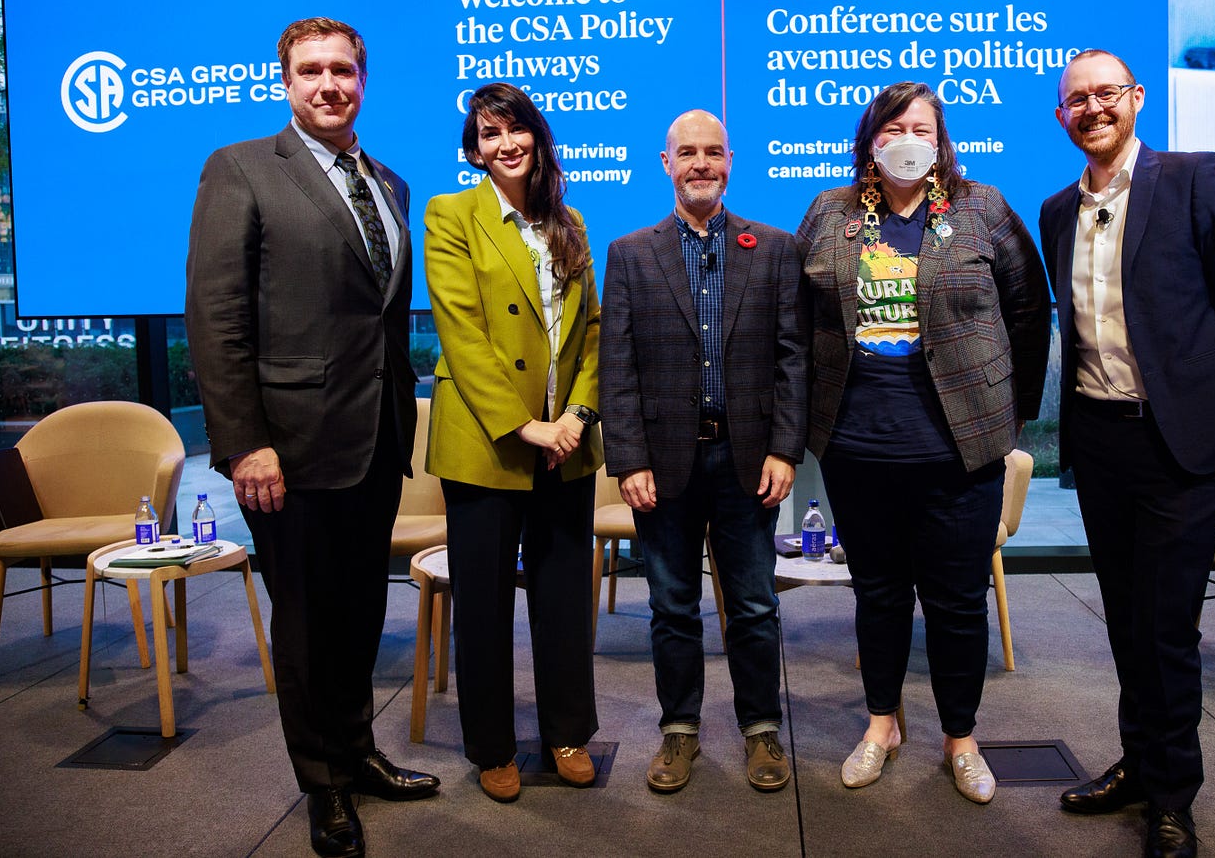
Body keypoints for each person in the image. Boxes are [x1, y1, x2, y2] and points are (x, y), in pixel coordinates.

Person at [185, 17, 439, 858]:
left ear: (363, 80)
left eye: (343, 71)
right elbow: (217, 319)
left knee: (362, 608)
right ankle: (321, 785)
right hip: (285, 448)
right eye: (311, 71)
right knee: (304, 619)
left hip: (374, 438)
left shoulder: (391, 184)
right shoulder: (243, 168)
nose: (329, 84)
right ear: (284, 81)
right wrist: (244, 441)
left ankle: (357, 750)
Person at [1040, 50, 1215, 858]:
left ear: (1136, 98)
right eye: (1078, 99)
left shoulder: (1193, 178)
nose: (1094, 108)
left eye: (1108, 93)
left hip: (1181, 447)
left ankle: (1174, 795)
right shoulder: (1056, 212)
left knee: (1168, 626)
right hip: (1103, 442)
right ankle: (1139, 766)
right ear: (1061, 116)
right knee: (1126, 621)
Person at [795, 81, 1049, 803]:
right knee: (876, 594)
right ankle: (881, 725)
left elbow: (1029, 311)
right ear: (871, 139)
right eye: (893, 126)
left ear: (941, 140)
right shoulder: (831, 212)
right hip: (859, 445)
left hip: (960, 449)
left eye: (922, 127)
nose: (908, 138)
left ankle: (961, 739)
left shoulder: (983, 207)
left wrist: (1012, 414)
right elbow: (802, 316)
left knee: (958, 600)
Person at [600, 109, 808, 794]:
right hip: (662, 465)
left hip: (749, 461)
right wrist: (627, 459)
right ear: (665, 163)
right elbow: (617, 366)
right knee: (671, 605)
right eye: (686, 152)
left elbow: (791, 359)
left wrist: (785, 449)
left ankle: (760, 730)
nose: (700, 163)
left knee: (752, 606)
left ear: (730, 160)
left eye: (712, 152)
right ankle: (679, 730)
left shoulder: (772, 248)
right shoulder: (630, 252)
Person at [422, 81, 602, 804]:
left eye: (517, 128)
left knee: (562, 597)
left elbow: (590, 333)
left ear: (537, 136)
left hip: (568, 444)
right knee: (486, 603)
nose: (506, 143)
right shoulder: (451, 215)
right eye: (490, 133)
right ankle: (493, 746)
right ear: (473, 150)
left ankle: (567, 733)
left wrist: (578, 417)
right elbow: (461, 334)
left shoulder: (571, 220)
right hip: (489, 444)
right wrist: (527, 426)